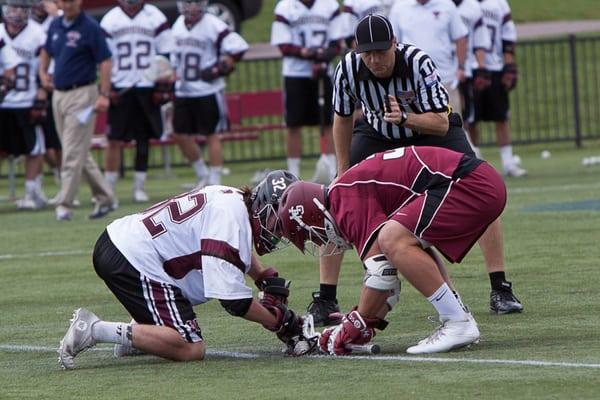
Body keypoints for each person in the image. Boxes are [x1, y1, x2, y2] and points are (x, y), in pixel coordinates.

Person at [306, 14, 522, 326]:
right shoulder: (349, 68)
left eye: (381, 51)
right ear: (357, 50)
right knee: (335, 198)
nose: (375, 60)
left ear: (395, 43)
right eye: (368, 53)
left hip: (429, 130)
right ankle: (326, 297)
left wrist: (406, 118)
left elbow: (441, 121)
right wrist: (342, 169)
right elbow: (341, 118)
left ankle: (500, 287)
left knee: (478, 184)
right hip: (377, 133)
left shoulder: (419, 63)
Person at [57, 170, 311, 369]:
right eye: (278, 224)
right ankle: (94, 329)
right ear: (265, 204)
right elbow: (235, 302)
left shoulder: (233, 198)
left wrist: (261, 276)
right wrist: (280, 322)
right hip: (131, 256)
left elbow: (232, 250)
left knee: (195, 285)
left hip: (123, 244)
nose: (278, 233)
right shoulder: (232, 219)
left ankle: (145, 333)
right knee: (191, 347)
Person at [276, 145, 506, 354]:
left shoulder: (346, 198)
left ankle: (457, 321)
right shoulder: (346, 193)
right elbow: (389, 280)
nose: (317, 241)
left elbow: (382, 275)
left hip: (470, 183)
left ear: (314, 211)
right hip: (474, 181)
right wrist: (365, 324)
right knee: (403, 242)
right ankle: (458, 315)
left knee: (393, 239)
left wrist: (354, 324)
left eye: (309, 233)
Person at [38, 0, 115, 220]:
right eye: (63, 1)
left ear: (79, 2)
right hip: (59, 94)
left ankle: (64, 204)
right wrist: (43, 73)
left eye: (71, 1)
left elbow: (106, 60)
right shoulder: (56, 24)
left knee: (71, 152)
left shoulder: (90, 27)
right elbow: (46, 50)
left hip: (83, 94)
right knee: (78, 151)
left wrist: (104, 94)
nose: (67, 5)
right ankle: (106, 198)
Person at [100, 0, 173, 204]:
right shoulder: (111, 19)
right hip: (119, 86)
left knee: (143, 138)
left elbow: (166, 53)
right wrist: (107, 88)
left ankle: (139, 187)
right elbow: (103, 56)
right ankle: (109, 188)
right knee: (114, 139)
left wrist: (160, 80)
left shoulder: (154, 16)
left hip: (146, 87)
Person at [170, 0, 248, 188]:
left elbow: (238, 47)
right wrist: (172, 78)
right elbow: (175, 59)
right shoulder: (177, 25)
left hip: (208, 90)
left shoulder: (214, 24)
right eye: (189, 2)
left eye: (196, 2)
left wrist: (218, 68)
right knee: (179, 134)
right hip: (184, 90)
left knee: (212, 135)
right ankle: (202, 174)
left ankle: (215, 181)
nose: (193, 7)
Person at [270, 0, 345, 183]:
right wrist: (309, 53)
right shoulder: (285, 7)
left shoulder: (329, 5)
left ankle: (331, 168)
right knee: (293, 125)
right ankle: (292, 174)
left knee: (329, 122)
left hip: (323, 72)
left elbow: (337, 42)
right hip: (295, 73)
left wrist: (326, 55)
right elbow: (283, 45)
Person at [468, 0, 525, 178]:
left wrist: (509, 64)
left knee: (501, 117)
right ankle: (473, 163)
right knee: (470, 120)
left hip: (495, 67)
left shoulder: (499, 3)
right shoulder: (461, 4)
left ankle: (508, 163)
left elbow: (508, 34)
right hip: (471, 68)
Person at [0, 0, 49, 210]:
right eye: (13, 8)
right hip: (3, 103)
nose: (17, 13)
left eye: (21, 8)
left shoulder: (38, 33)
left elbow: (46, 67)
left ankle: (30, 194)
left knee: (34, 149)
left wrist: (41, 93)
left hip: (27, 100)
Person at [389, 0, 468, 114]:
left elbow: (460, 38)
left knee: (453, 124)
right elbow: (393, 42)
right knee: (416, 126)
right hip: (411, 81)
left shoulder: (447, 5)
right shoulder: (399, 7)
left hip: (445, 78)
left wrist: (461, 67)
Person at [30, 0, 63, 187]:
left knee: (59, 141)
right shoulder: (26, 24)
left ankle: (64, 179)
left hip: (56, 84)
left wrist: (55, 14)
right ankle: (38, 182)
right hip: (29, 86)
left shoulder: (58, 19)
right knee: (37, 142)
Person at [454, 0, 492, 158]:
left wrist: (481, 67)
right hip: (440, 72)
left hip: (464, 70)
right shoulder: (438, 6)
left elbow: (479, 39)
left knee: (467, 118)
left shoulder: (472, 6)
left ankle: (472, 155)